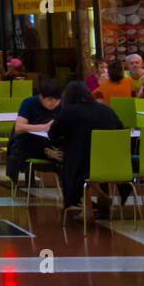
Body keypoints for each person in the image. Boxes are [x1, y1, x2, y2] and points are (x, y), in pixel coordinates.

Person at [49, 80, 131, 218]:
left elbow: (53, 134)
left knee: (74, 160)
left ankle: (86, 209)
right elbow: (120, 130)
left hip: (82, 164)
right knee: (84, 160)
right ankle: (100, 196)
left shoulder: (69, 111)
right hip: (113, 163)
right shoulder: (106, 109)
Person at [1, 76, 61, 188]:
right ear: (41, 97)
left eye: (57, 100)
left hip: (51, 144)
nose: (53, 103)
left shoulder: (62, 106)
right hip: (27, 144)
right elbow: (19, 128)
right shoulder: (29, 103)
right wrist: (45, 127)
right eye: (49, 100)